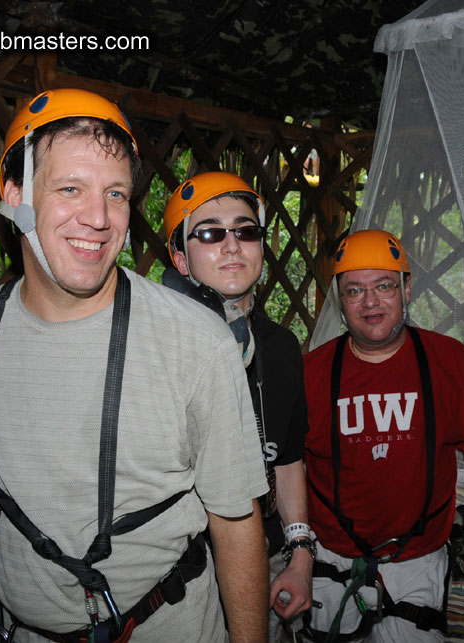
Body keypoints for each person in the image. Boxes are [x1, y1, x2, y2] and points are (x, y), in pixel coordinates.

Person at [0, 89, 269, 642]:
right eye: (70, 188)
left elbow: (236, 523)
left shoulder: (196, 342)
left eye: (116, 194)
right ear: (14, 194)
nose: (98, 218)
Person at [301, 229, 464, 642]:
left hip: (418, 559)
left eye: (384, 286)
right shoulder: (312, 372)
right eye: (354, 291)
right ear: (339, 300)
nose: (371, 302)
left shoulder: (450, 361)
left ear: (407, 287)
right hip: (329, 558)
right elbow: (291, 466)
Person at [162, 171, 313, 638]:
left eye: (245, 231)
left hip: (264, 562)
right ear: (180, 258)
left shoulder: (283, 347)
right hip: (180, 574)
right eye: (209, 232)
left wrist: (301, 552)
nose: (231, 245)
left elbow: (286, 460)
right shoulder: (158, 348)